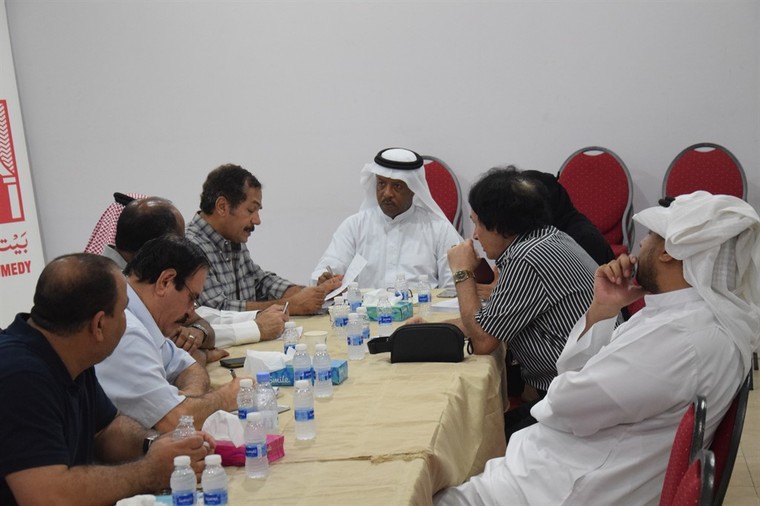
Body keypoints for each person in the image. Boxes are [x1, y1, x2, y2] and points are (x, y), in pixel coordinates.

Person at [434, 191, 760, 505]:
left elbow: (563, 403)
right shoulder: (690, 319)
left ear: (669, 252)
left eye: (650, 236)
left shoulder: (680, 339)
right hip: (575, 465)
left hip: (566, 484)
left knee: (423, 484)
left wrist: (561, 391)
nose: (641, 244)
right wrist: (602, 310)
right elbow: (577, 379)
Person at [0, 254, 214, 505]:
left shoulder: (70, 352)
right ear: (99, 325)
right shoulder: (20, 375)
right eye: (124, 311)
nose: (128, 321)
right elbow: (47, 496)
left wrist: (156, 444)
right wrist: (149, 471)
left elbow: (106, 430)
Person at [412, 167, 596, 398]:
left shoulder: (526, 259)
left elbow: (482, 341)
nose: (475, 235)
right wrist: (429, 330)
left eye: (478, 224)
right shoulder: (550, 237)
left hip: (576, 395)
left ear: (500, 225)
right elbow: (492, 320)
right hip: (586, 383)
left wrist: (462, 272)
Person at [95, 235, 242, 433]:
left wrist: (188, 398)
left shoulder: (145, 318)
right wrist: (224, 398)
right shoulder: (127, 331)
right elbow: (175, 421)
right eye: (191, 298)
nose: (191, 311)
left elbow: (188, 366)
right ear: (165, 282)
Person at [108, 196, 286, 350]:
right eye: (179, 242)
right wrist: (256, 328)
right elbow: (174, 345)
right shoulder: (112, 292)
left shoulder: (144, 277)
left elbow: (197, 316)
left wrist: (257, 317)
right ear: (155, 248)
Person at [186, 163, 342, 320]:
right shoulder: (190, 248)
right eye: (250, 210)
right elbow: (216, 312)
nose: (257, 220)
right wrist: (291, 305)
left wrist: (313, 293)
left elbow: (260, 282)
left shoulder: (232, 238)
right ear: (222, 207)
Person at [311, 147, 463, 288]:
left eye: (397, 186)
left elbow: (454, 289)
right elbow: (331, 265)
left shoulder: (439, 229)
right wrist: (324, 278)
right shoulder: (354, 226)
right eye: (382, 184)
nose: (387, 193)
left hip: (424, 309)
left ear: (413, 189)